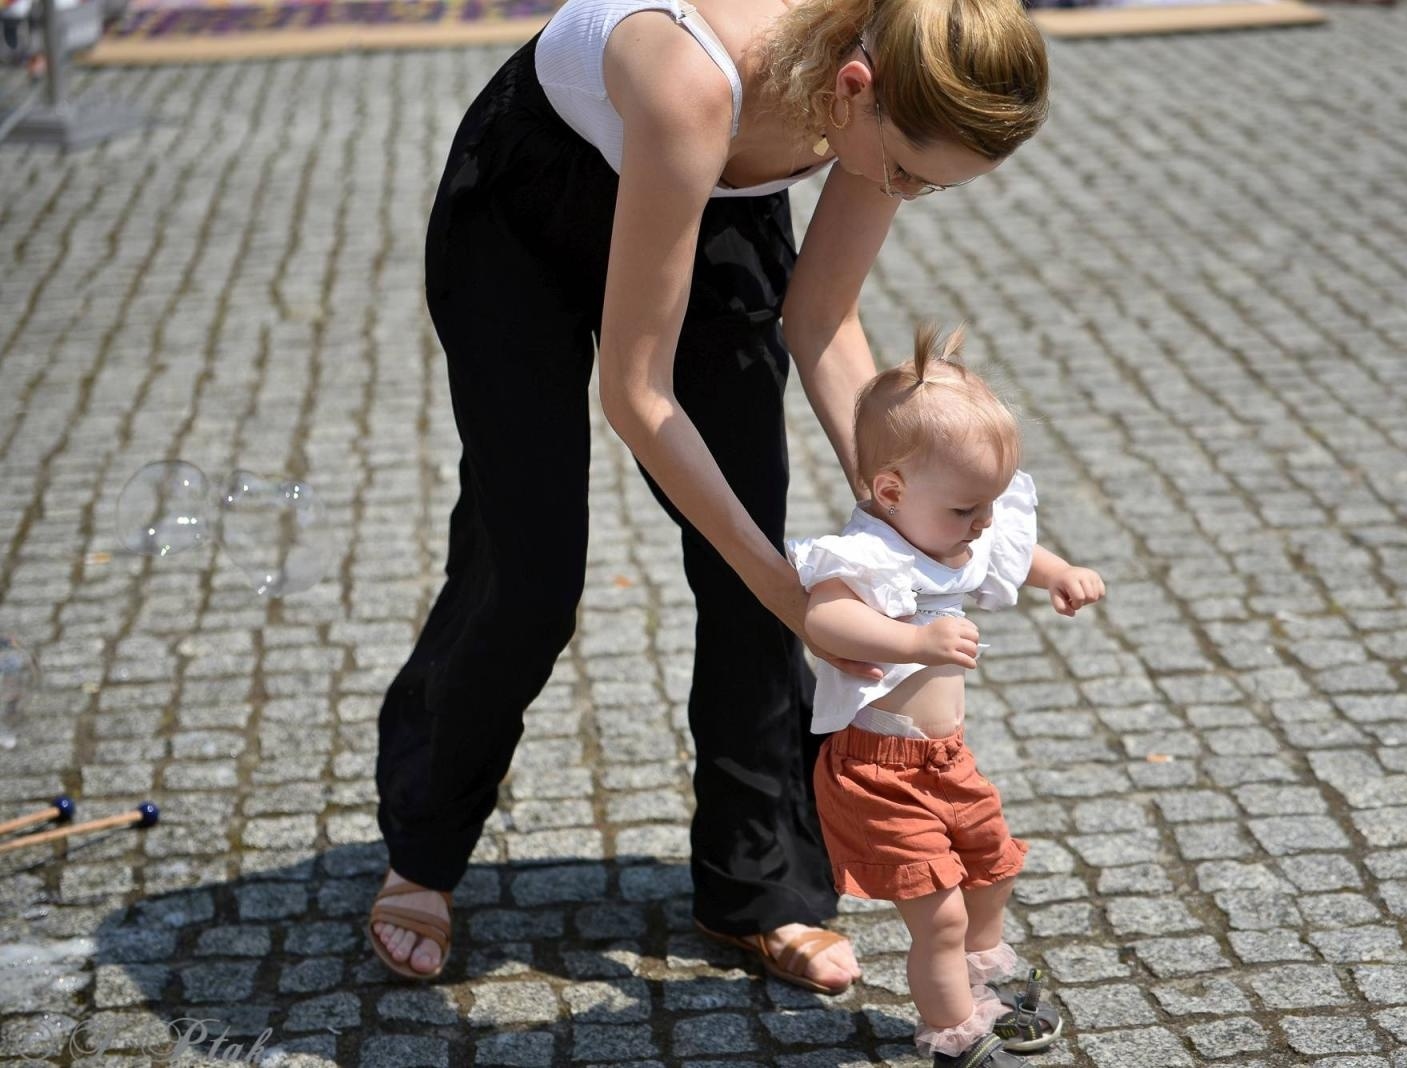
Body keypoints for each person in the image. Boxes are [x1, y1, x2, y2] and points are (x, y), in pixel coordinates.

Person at [366, 0, 1050, 990]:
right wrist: (791, 597)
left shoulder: (898, 64)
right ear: (850, 92)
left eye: (928, 187)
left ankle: (756, 887)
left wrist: (902, 509)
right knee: (529, 571)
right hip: (525, 209)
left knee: (757, 563)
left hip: (717, 209)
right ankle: (422, 851)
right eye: (906, 172)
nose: (905, 192)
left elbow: (818, 318)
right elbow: (637, 398)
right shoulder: (696, 77)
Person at [787, 324, 1105, 1065]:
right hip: (878, 772)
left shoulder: (953, 533)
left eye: (990, 503)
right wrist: (914, 642)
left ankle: (980, 975)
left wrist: (1056, 573)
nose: (984, 523)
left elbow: (1010, 552)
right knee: (942, 915)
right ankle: (954, 1034)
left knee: (994, 867)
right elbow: (826, 616)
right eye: (967, 508)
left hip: (946, 761)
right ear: (891, 490)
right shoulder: (865, 556)